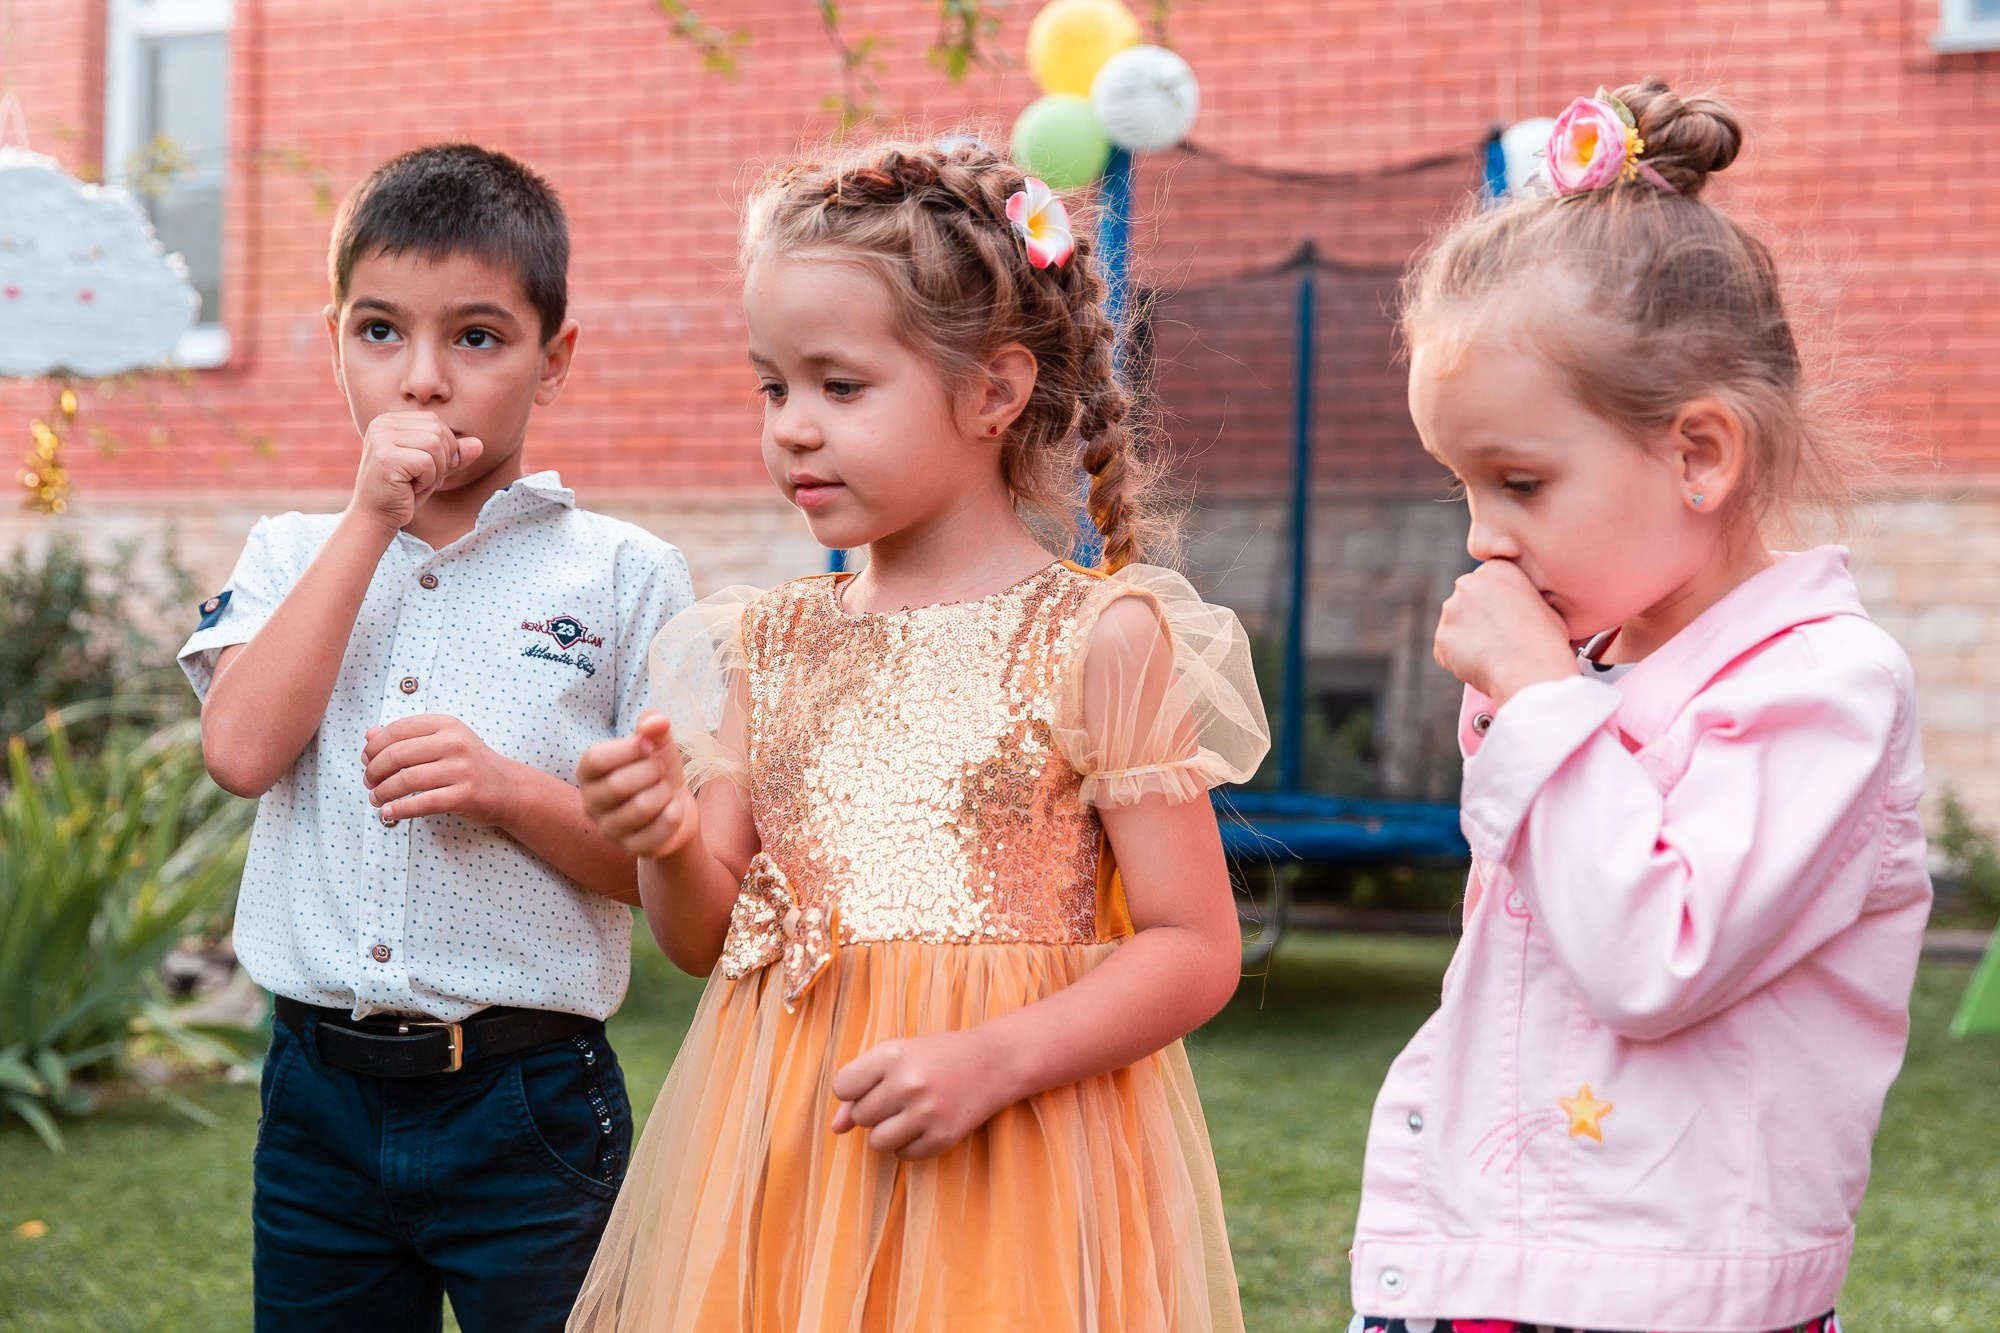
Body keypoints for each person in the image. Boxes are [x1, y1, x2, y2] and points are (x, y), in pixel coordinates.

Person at [565, 139, 1271, 1331]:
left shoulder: (1093, 638)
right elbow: (702, 940)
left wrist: (992, 1059)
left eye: (839, 387)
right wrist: (666, 838)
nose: (793, 428)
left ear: (992, 393)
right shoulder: (767, 642)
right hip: (794, 1151)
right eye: (772, 387)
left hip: (1010, 1165)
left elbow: (1194, 946)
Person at [1346, 79, 1929, 1333]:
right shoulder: (1590, 669)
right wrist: (1532, 696)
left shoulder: (1824, 688)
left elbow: (1652, 957)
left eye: (1517, 482)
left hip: (1664, 1299)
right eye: (1461, 487)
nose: (1481, 537)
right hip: (1491, 1265)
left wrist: (1535, 696)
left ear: (1695, 454)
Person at [178, 144, 693, 1333]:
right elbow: (240, 752)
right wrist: (370, 517)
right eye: (379, 332)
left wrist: (509, 790)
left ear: (552, 359)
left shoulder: (625, 575)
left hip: (529, 1099)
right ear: (334, 345)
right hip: (318, 1103)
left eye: (475, 337)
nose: (421, 380)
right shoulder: (288, 553)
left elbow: (660, 874)